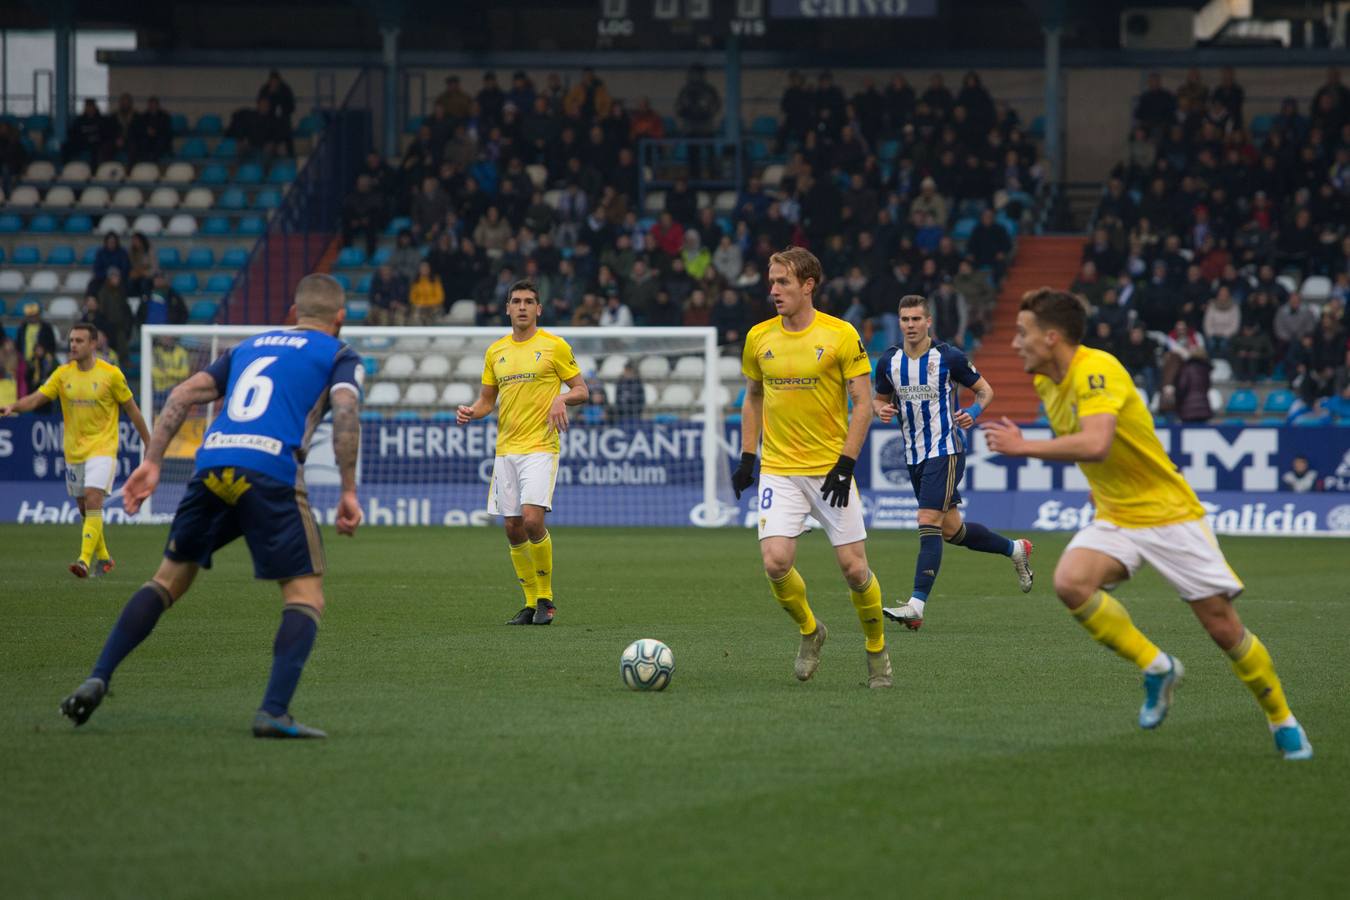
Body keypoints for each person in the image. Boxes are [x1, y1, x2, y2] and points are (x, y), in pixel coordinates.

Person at [983, 288, 1312, 760]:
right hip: (1116, 515)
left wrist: (1023, 446)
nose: (1014, 342)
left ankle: (1283, 719)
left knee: (1222, 627)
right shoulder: (1044, 384)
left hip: (1168, 513)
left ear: (1052, 337)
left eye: (1023, 333)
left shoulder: (1096, 369)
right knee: (1071, 583)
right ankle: (1157, 667)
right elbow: (1094, 455)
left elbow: (1096, 443)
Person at [57, 275, 363, 738]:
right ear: (340, 318)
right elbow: (345, 412)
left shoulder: (248, 346)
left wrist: (153, 463)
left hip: (213, 466)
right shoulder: (340, 354)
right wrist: (347, 489)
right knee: (305, 596)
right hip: (269, 469)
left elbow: (180, 395)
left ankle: (98, 675)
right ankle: (273, 712)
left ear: (294, 313)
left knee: (166, 581)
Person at [733, 247, 891, 688]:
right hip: (780, 469)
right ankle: (810, 630)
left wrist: (845, 464)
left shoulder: (841, 336)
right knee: (775, 561)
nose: (774, 290)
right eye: (772, 281)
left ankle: (876, 649)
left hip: (830, 469)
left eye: (783, 282)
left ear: (808, 285)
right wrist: (749, 456)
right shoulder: (759, 337)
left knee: (855, 569)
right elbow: (753, 397)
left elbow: (863, 404)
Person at [872, 295, 1033, 630]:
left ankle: (916, 606)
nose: (911, 325)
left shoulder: (949, 357)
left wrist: (973, 412)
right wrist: (880, 410)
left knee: (927, 520)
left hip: (945, 450)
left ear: (929, 321)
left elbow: (985, 391)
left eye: (917, 319)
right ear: (900, 323)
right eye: (905, 320)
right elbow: (879, 399)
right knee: (952, 530)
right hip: (913, 455)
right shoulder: (889, 361)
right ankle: (1015, 549)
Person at [457, 280, 589, 626]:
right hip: (506, 451)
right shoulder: (495, 351)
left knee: (532, 520)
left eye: (529, 301)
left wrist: (561, 398)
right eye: (516, 301)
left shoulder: (554, 346)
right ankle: (529, 603)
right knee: (512, 528)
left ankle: (546, 598)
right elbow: (487, 400)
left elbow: (582, 390)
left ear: (539, 309)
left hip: (541, 448)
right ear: (507, 308)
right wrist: (472, 411)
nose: (522, 307)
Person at [1, 323, 150, 578]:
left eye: (79, 341)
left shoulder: (111, 375)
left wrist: (150, 442)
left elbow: (132, 409)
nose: (73, 345)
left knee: (93, 498)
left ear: (93, 344)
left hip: (103, 448)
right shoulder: (62, 375)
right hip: (74, 452)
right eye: (71, 340)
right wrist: (13, 406)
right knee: (84, 508)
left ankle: (83, 560)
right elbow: (37, 398)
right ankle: (104, 557)